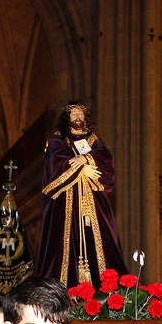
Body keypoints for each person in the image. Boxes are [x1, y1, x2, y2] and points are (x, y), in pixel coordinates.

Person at [36, 102, 127, 287]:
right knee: (62, 246)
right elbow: (56, 160)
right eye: (74, 113)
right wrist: (82, 171)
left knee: (102, 243)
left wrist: (86, 159)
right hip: (65, 202)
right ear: (66, 117)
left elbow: (106, 160)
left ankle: (104, 292)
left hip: (94, 202)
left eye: (81, 113)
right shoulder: (58, 138)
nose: (78, 116)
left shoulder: (93, 140)